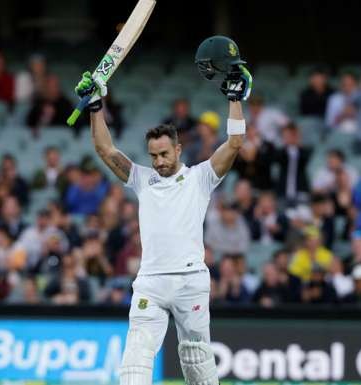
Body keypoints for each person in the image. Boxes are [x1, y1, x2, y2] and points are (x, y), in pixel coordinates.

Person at [74, 40, 250, 384]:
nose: (159, 162)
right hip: (151, 283)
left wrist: (234, 101)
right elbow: (104, 148)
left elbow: (235, 145)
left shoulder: (201, 177)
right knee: (135, 360)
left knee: (197, 359)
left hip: (190, 281)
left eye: (164, 154)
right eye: (153, 155)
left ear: (178, 149)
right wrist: (95, 106)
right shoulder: (142, 179)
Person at [274, 122, 311, 204]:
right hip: (283, 191)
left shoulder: (305, 151)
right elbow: (277, 157)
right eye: (285, 135)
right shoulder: (281, 152)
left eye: (290, 135)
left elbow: (305, 158)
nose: (287, 137)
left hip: (301, 190)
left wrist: (297, 141)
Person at [232, 123, 275, 190]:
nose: (250, 133)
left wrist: (256, 153)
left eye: (253, 130)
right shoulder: (241, 147)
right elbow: (235, 167)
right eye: (248, 130)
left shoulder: (267, 146)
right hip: (245, 184)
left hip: (263, 185)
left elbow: (268, 163)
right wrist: (241, 156)